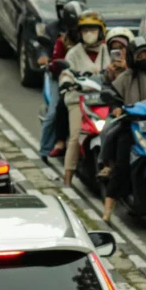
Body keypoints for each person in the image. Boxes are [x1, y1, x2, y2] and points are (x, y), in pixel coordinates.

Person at [98, 38, 146, 220]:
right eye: (140, 54)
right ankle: (108, 208)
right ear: (131, 56)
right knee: (121, 163)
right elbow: (114, 99)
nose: (144, 58)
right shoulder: (123, 79)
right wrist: (117, 108)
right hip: (132, 127)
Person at [60, 11, 111, 186]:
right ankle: (67, 179)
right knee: (75, 136)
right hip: (78, 100)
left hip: (104, 100)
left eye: (93, 29)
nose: (89, 33)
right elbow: (66, 72)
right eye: (85, 30)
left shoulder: (108, 50)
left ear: (101, 31)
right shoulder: (73, 53)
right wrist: (67, 82)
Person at [40, 0, 86, 159]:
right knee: (55, 111)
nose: (84, 32)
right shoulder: (61, 42)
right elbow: (55, 66)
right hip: (62, 81)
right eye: (79, 28)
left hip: (87, 83)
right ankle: (47, 148)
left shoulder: (95, 41)